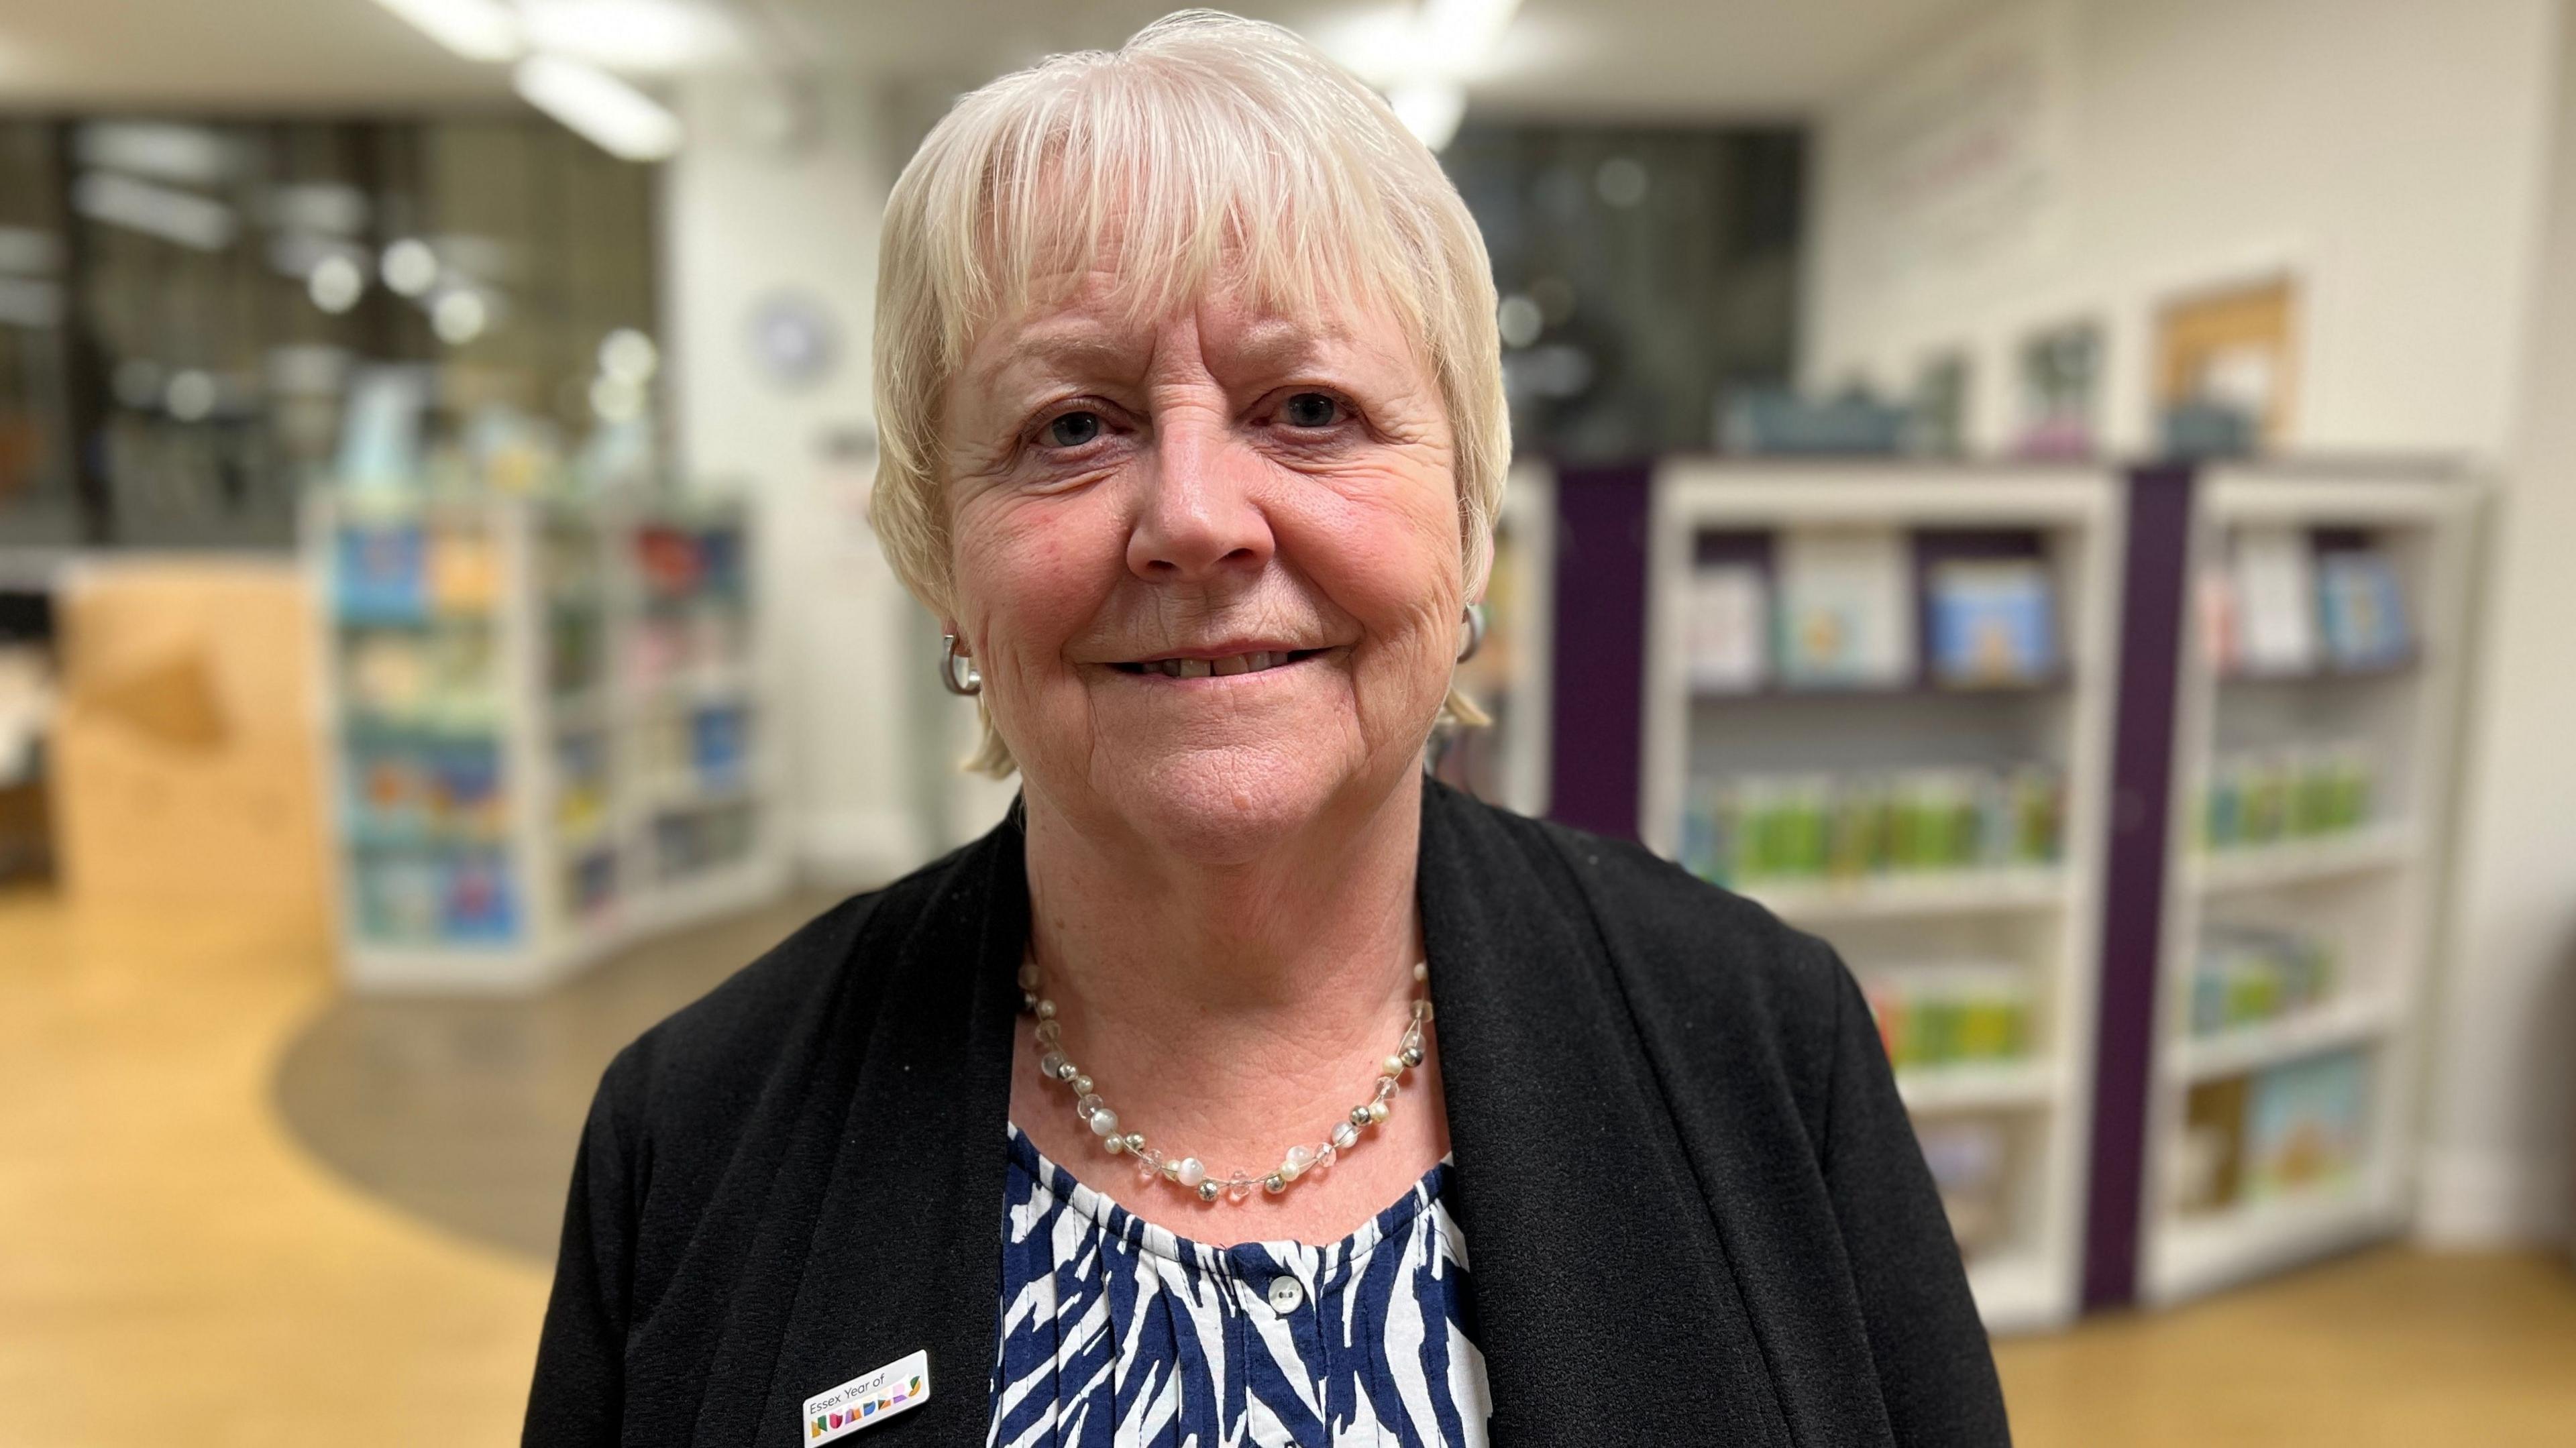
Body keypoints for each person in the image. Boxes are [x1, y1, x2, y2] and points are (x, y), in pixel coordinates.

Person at [523, 11, 2008, 1446]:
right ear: (941, 562)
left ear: (1468, 521)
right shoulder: (690, 1135)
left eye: (1308, 408)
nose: (1193, 518)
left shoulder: (1765, 1042)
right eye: (1072, 427)